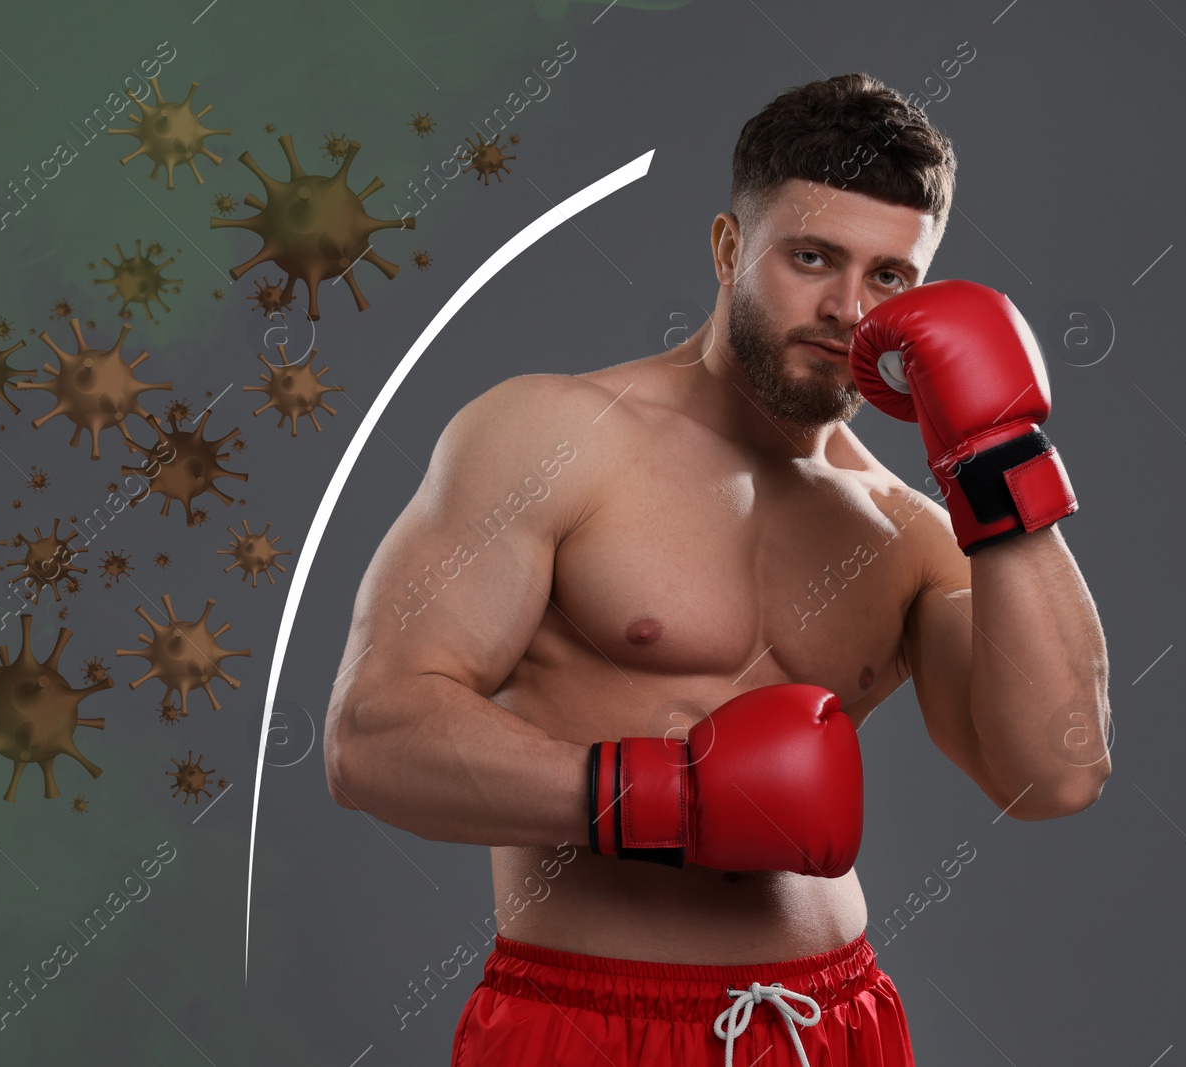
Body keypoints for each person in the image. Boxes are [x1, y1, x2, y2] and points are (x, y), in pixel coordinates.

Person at [323, 71, 1111, 1067]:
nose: (845, 309)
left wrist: (998, 458)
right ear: (729, 247)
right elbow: (370, 736)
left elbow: (1057, 771)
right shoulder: (552, 437)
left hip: (836, 1022)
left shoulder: (912, 526)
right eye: (812, 257)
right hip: (591, 1023)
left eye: (888, 279)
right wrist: (663, 795)